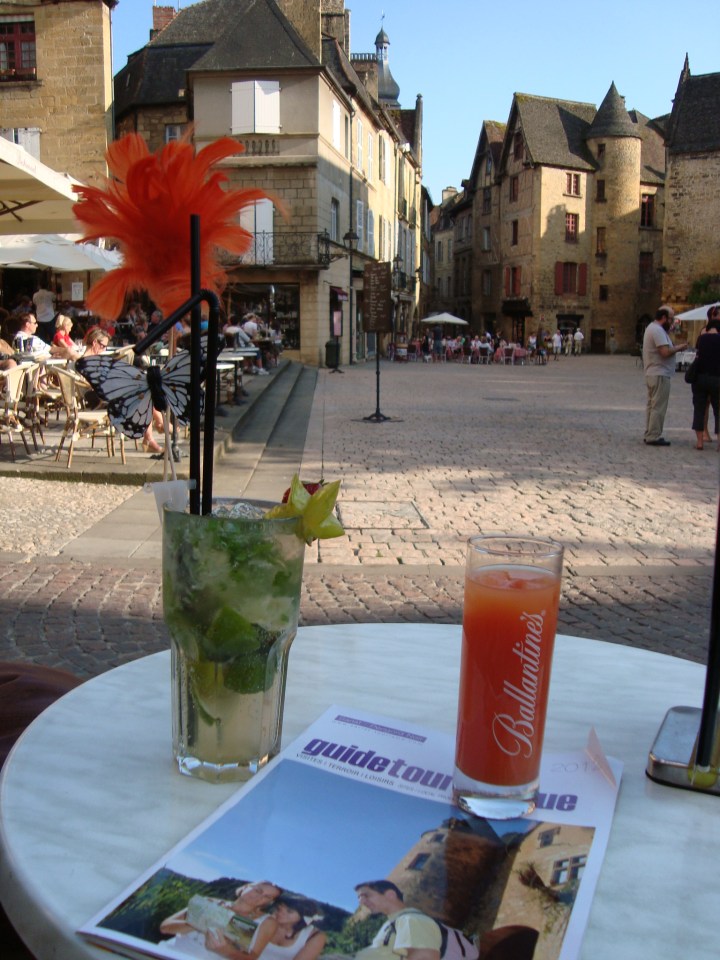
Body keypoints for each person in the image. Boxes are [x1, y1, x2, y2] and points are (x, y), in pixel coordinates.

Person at [160, 880, 282, 959]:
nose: (259, 896)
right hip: (170, 952)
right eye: (258, 890)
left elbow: (252, 957)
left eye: (267, 897)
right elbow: (165, 927)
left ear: (269, 903)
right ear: (246, 887)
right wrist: (202, 923)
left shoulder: (267, 922)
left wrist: (226, 951)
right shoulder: (209, 902)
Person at [206, 894, 326, 960]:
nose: (280, 913)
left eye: (289, 911)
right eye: (279, 908)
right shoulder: (262, 919)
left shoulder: (314, 936)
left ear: (304, 918)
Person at [354, 881, 440, 960]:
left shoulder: (411, 919)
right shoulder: (390, 923)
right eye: (359, 897)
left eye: (366, 895)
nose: (361, 901)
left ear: (390, 895)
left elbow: (424, 957)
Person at [642, 305, 688, 446]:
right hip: (659, 373)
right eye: (671, 318)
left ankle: (650, 432)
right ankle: (653, 435)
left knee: (652, 405)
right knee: (658, 406)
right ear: (663, 318)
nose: (672, 321)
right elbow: (664, 352)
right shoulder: (657, 330)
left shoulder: (653, 328)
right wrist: (680, 347)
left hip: (653, 372)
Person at [690, 314, 720, 450]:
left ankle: (700, 442)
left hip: (700, 379)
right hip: (717, 378)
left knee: (699, 410)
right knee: (718, 411)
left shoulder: (702, 339)